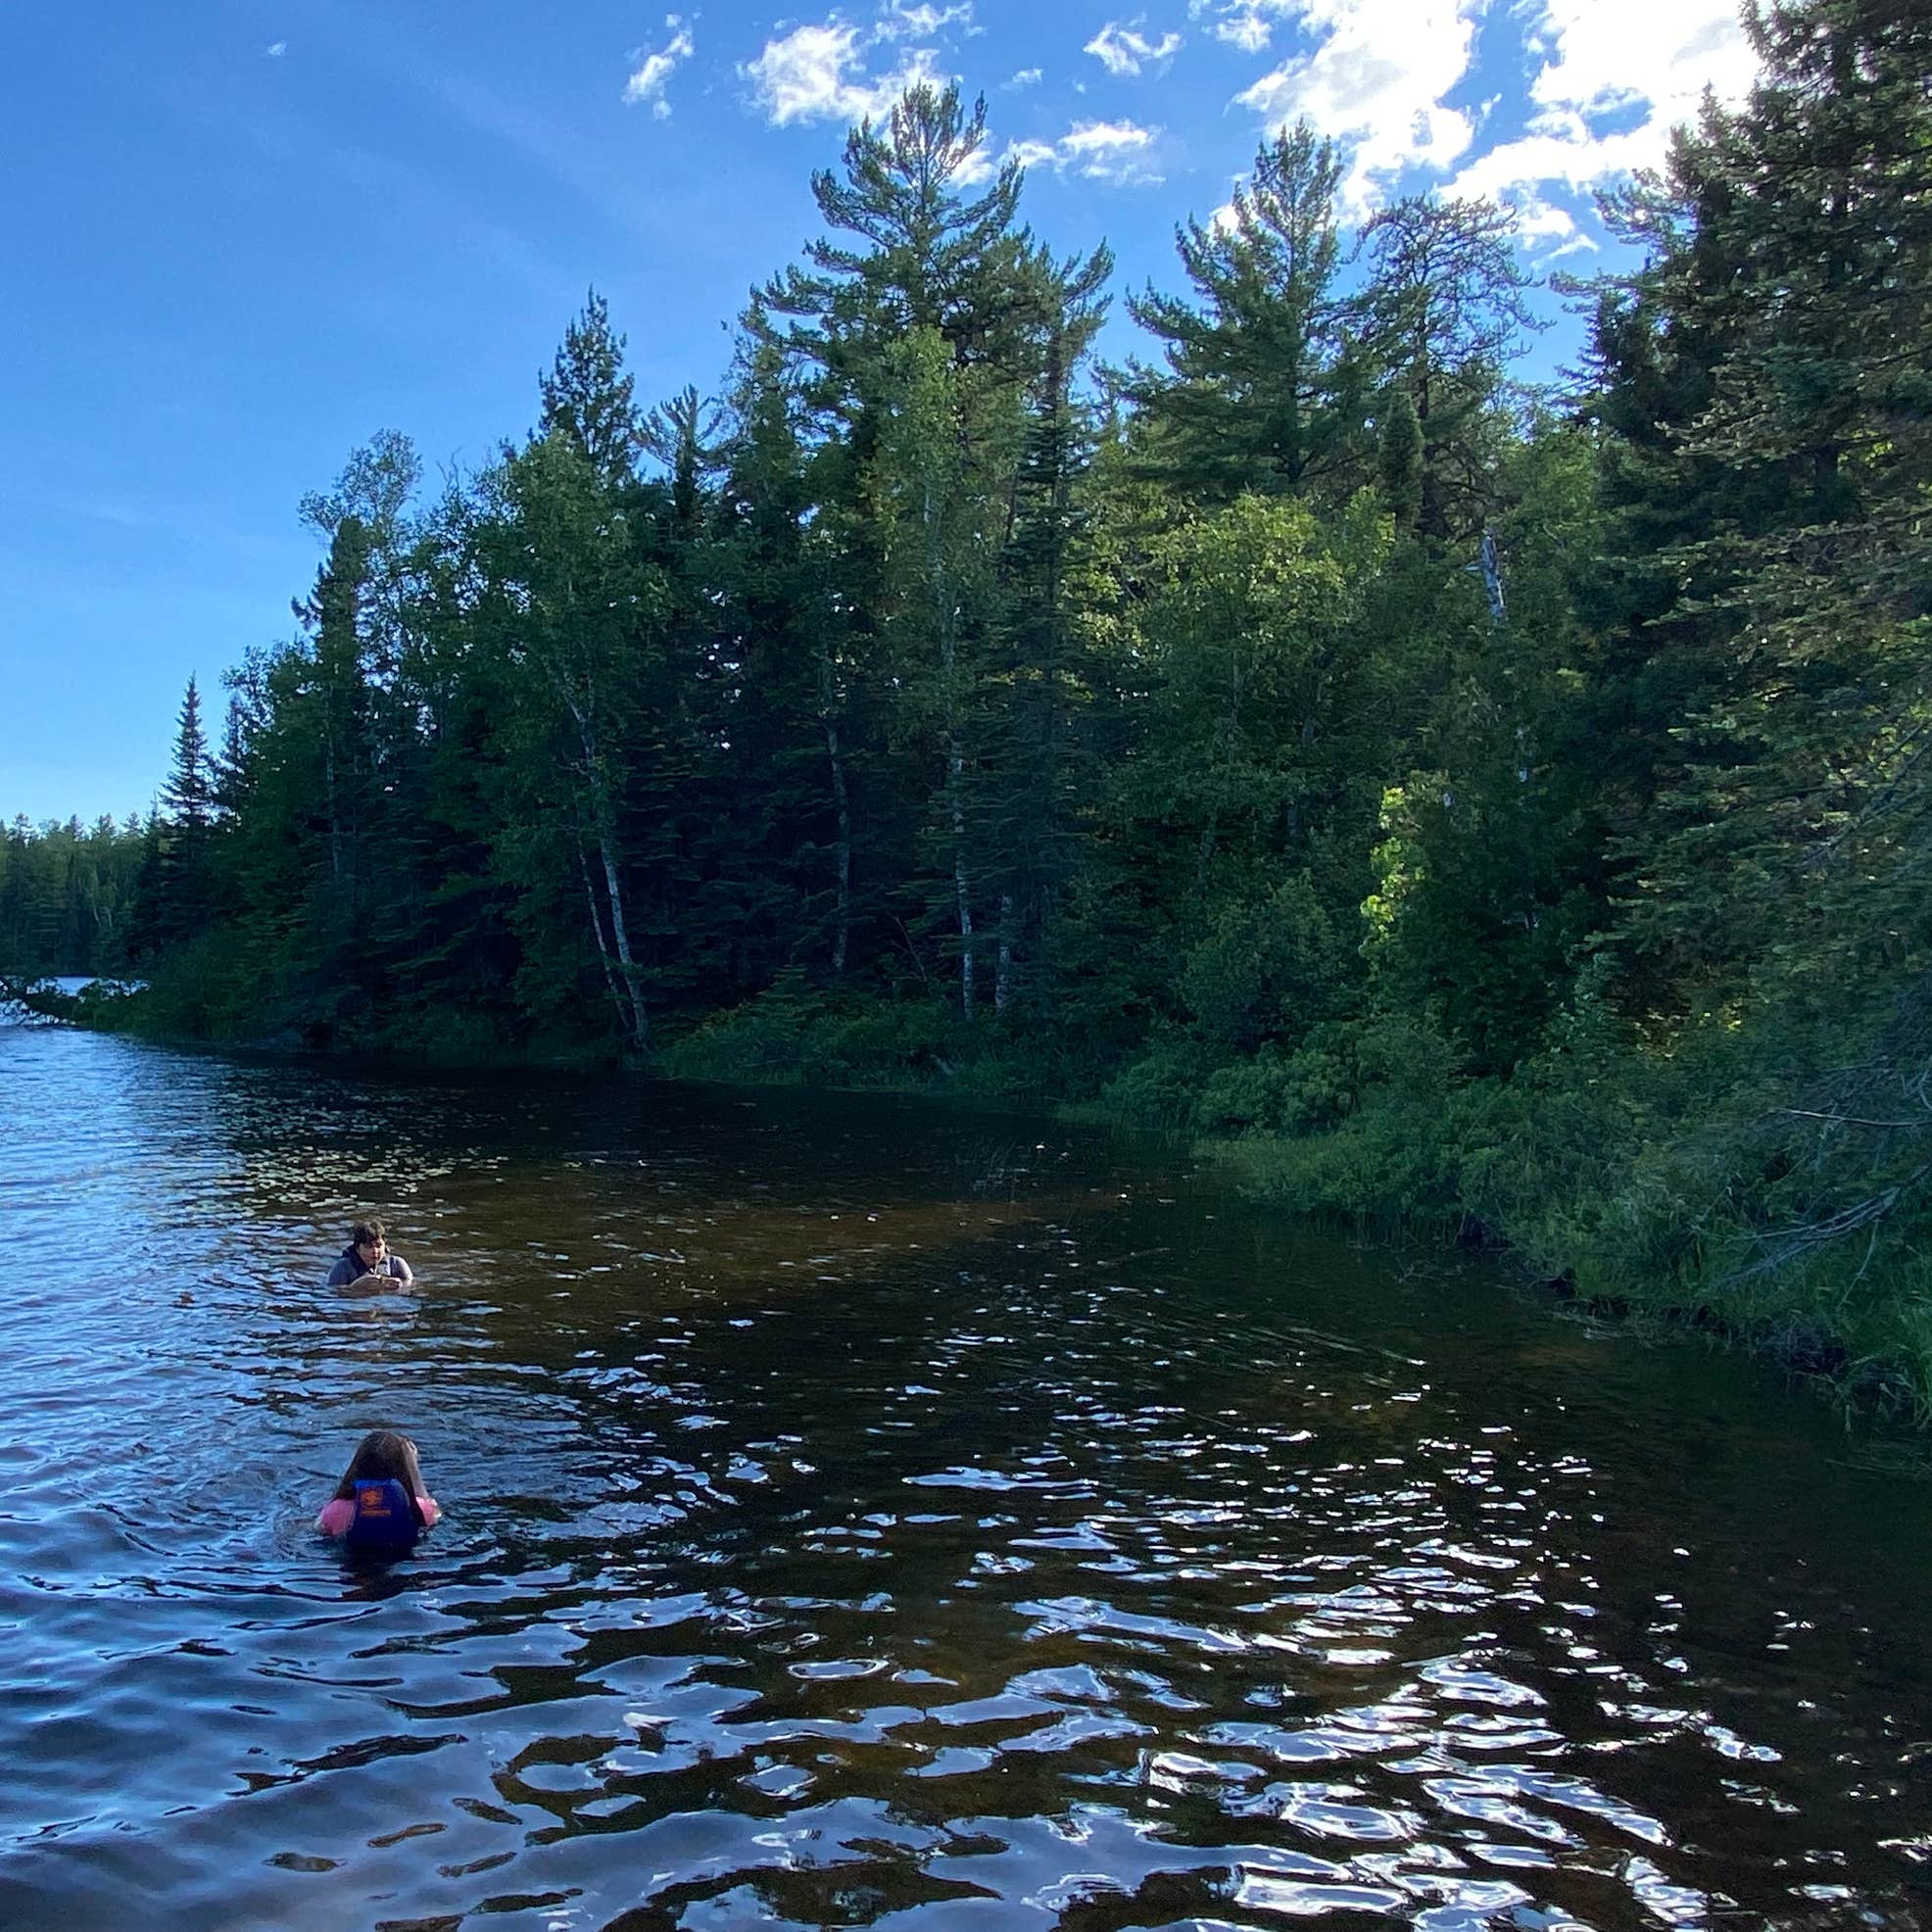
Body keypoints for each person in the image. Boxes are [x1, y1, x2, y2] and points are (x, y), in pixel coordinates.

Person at [316, 1429, 440, 1545]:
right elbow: (434, 1513)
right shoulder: (418, 1510)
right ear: (402, 1469)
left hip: (354, 1563)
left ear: (357, 1465)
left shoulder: (337, 1510)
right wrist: (412, 1466)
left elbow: (319, 1527)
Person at [325, 1218, 415, 1287]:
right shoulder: (342, 1268)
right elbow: (332, 1293)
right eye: (368, 1246)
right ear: (357, 1248)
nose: (375, 1251)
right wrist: (355, 1288)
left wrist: (401, 1286)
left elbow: (413, 1286)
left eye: (379, 1245)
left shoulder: (396, 1264)